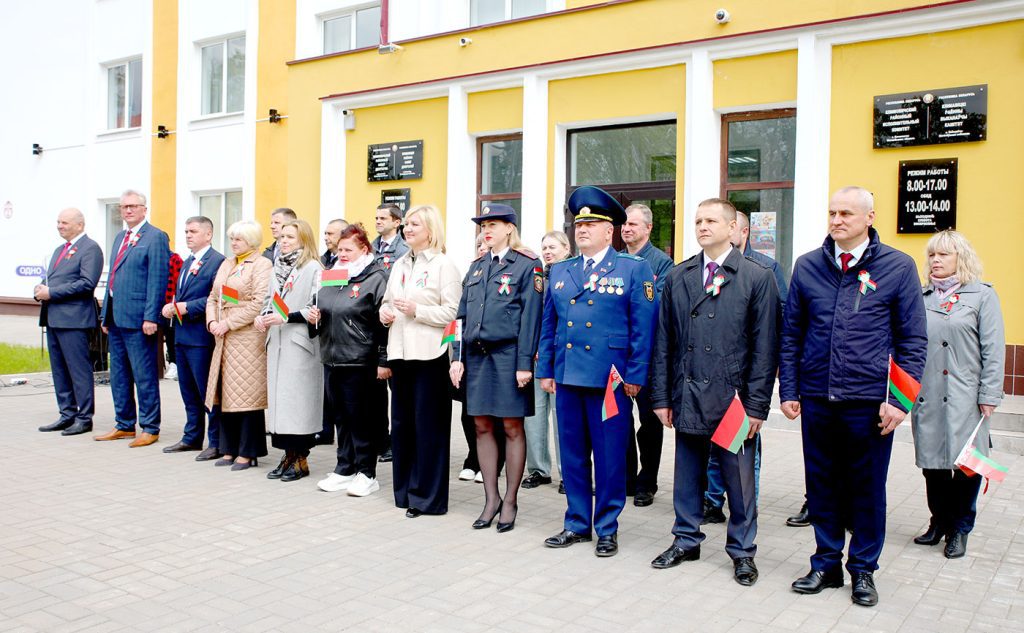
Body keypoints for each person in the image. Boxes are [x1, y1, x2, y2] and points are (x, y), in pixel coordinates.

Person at [780, 186, 927, 607]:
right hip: (818, 397)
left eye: (846, 212)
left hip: (869, 401)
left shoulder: (898, 266)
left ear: (869, 217)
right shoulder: (808, 267)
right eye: (832, 212)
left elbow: (913, 339)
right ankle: (825, 563)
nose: (837, 219)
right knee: (821, 484)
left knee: (866, 488)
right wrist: (789, 390)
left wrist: (900, 401)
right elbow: (792, 335)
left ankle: (863, 569)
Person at [648, 198, 779, 587]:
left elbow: (765, 348)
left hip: (733, 398)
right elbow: (664, 342)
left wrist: (756, 405)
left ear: (732, 226)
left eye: (711, 220)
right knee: (687, 475)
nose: (703, 226)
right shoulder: (679, 276)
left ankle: (742, 552)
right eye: (698, 220)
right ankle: (686, 539)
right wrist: (661, 397)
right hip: (687, 391)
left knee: (738, 481)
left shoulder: (756, 276)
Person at [537, 185, 657, 558]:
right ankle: (576, 522)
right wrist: (545, 368)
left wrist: (635, 375)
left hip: (611, 380)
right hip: (569, 376)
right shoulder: (560, 270)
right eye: (579, 223)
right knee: (571, 454)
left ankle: (606, 526)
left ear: (611, 231)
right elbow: (549, 326)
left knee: (608, 456)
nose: (582, 229)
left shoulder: (632, 269)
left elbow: (643, 327)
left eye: (592, 223)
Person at [450, 204, 543, 532]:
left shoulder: (527, 265)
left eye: (493, 224)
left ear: (509, 228)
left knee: (512, 428)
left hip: (508, 358)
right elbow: (458, 319)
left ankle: (511, 500)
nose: (486, 230)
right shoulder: (475, 267)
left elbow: (531, 318)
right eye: (483, 225)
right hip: (476, 358)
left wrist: (523, 363)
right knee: (482, 427)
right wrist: (456, 357)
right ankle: (490, 499)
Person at [912, 230, 1004, 559]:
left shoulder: (981, 296)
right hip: (929, 394)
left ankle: (960, 528)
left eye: (943, 255)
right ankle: (939, 521)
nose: (935, 261)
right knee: (933, 465)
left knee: (967, 465)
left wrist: (990, 393)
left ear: (960, 259)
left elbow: (993, 349)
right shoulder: (921, 297)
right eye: (932, 255)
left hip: (967, 396)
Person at [703, 209, 790, 525]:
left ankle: (745, 506)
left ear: (742, 231)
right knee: (715, 444)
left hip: (745, 375)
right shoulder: (707, 269)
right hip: (712, 375)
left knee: (743, 445)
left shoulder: (765, 269)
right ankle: (712, 501)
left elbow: (777, 317)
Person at [380, 204, 461, 517]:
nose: (407, 229)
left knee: (429, 429)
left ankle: (427, 498)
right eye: (407, 225)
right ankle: (404, 492)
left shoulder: (443, 265)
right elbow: (387, 302)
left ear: (431, 229)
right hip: (400, 354)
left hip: (430, 356)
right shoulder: (400, 263)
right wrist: (385, 314)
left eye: (415, 224)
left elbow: (453, 313)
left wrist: (418, 311)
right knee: (402, 428)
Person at [308, 224, 390, 497]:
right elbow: (322, 305)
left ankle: (366, 472)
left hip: (360, 359)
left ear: (363, 249)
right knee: (341, 417)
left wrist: (383, 359)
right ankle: (345, 467)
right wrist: (315, 317)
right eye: (339, 249)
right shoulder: (333, 275)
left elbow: (383, 325)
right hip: (332, 356)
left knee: (361, 418)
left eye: (348, 250)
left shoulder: (376, 277)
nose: (341, 254)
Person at [94, 190, 170, 447]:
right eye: (124, 206)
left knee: (144, 374)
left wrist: (151, 317)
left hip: (140, 320)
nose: (127, 211)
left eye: (133, 206)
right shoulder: (120, 237)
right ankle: (124, 424)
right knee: (119, 374)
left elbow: (157, 280)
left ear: (144, 209)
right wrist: (105, 315)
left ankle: (150, 427)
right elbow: (113, 279)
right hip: (116, 318)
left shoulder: (155, 237)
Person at [254, 219, 324, 482]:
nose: (283, 241)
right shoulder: (276, 267)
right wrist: (263, 316)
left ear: (303, 240)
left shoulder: (313, 268)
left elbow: (317, 309)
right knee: (281, 405)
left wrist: (286, 317)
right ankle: (288, 454)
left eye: (290, 237)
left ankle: (300, 457)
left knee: (299, 405)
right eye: (282, 236)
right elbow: (267, 301)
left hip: (299, 344)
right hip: (277, 343)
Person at [205, 220, 273, 471]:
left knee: (247, 395)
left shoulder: (262, 264)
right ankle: (228, 447)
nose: (234, 243)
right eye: (232, 238)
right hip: (223, 337)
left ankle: (248, 451)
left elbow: (258, 303)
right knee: (224, 394)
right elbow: (214, 296)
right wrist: (212, 320)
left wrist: (229, 323)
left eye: (239, 239)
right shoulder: (227, 263)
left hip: (246, 337)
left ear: (252, 241)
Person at [620, 203, 674, 507]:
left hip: (648, 356)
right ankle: (626, 478)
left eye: (634, 225)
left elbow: (654, 307)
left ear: (648, 228)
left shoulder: (661, 263)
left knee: (650, 423)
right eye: (624, 225)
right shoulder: (615, 260)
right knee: (620, 420)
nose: (627, 229)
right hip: (617, 354)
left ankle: (647, 482)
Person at [161, 217, 226, 459]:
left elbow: (215, 297)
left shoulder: (217, 262)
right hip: (182, 334)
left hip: (201, 336)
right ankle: (192, 437)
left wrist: (185, 307)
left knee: (206, 391)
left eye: (193, 231)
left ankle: (216, 441)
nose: (188, 235)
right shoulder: (188, 261)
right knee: (188, 391)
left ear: (208, 234)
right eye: (186, 231)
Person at [35, 208, 103, 437]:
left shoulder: (90, 248)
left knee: (78, 370)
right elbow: (51, 279)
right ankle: (67, 414)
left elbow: (86, 283)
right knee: (60, 371)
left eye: (64, 222)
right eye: (58, 222)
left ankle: (84, 417)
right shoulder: (59, 250)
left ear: (80, 225)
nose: (59, 226)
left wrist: (51, 292)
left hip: (74, 320)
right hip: (54, 318)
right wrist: (40, 290)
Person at [522, 231, 571, 493]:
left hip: (561, 357)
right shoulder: (537, 277)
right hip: (536, 356)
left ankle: (568, 473)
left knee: (562, 417)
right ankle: (539, 469)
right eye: (544, 248)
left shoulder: (573, 274)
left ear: (566, 248)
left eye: (553, 247)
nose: (547, 252)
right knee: (535, 415)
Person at [371, 203, 409, 462]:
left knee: (399, 391)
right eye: (376, 217)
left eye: (383, 218)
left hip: (397, 321)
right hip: (373, 322)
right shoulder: (371, 248)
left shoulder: (404, 251)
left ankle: (399, 441)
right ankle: (381, 440)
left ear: (397, 222)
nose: (377, 222)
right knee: (375, 393)